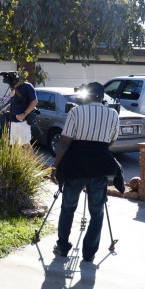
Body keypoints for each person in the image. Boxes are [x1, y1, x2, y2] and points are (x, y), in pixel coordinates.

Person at [50, 82, 119, 263]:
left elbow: (65, 142)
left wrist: (56, 167)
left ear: (86, 96)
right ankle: (89, 253)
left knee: (68, 208)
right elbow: (111, 141)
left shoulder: (76, 111)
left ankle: (63, 246)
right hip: (99, 166)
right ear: (102, 97)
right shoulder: (113, 114)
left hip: (75, 165)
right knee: (97, 212)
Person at [8, 77, 37, 146]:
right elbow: (14, 103)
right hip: (13, 121)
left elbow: (34, 102)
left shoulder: (27, 86)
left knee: (26, 144)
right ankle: (19, 157)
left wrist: (24, 114)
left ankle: (30, 157)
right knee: (15, 144)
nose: (8, 85)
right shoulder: (13, 89)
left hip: (24, 121)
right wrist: (6, 109)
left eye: (9, 83)